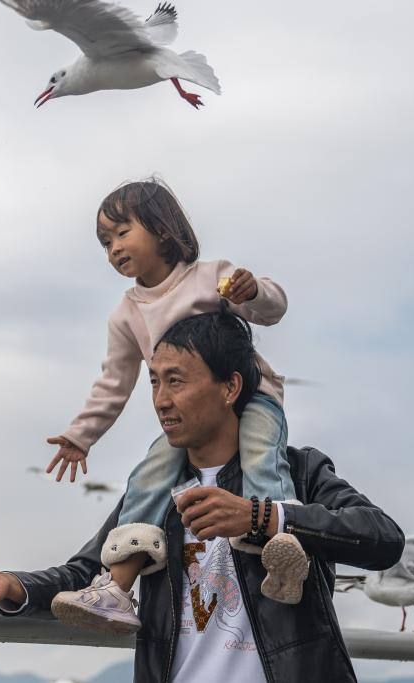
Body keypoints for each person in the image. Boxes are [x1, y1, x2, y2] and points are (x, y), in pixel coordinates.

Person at [0, 311, 405, 683]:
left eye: (176, 381)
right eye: (154, 382)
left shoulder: (298, 472)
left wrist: (262, 516)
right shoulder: (154, 489)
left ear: (230, 387)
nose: (161, 399)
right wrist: (12, 586)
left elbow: (383, 539)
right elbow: (87, 572)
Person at [44, 178, 299, 630]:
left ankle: (284, 555)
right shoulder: (127, 313)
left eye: (122, 233)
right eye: (105, 242)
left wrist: (252, 290)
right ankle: (116, 589)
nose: (114, 249)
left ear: (163, 229)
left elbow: (272, 311)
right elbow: (114, 382)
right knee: (148, 477)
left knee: (263, 457)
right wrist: (81, 435)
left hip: (254, 396)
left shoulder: (209, 276)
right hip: (191, 423)